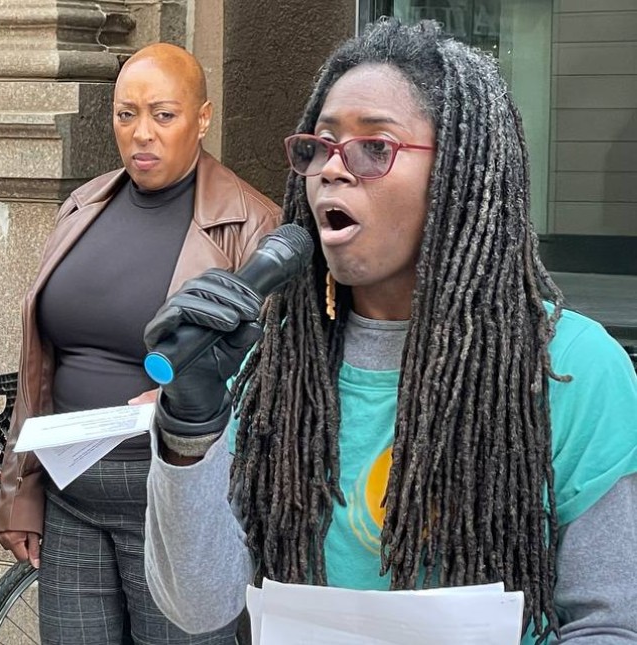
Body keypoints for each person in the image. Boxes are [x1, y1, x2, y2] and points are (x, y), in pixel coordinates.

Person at [142, 19, 637, 644]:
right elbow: (198, 606)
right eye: (318, 147)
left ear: (462, 171)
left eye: (375, 147)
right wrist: (189, 431)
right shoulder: (268, 362)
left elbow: (612, 623)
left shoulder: (576, 367)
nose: (331, 170)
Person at [0, 43, 280, 643]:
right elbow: (40, 363)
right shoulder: (83, 206)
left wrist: (193, 400)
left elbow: (273, 378)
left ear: (202, 118)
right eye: (126, 114)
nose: (141, 133)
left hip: (176, 509)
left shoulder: (253, 224)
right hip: (72, 506)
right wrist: (19, 491)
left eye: (163, 115)